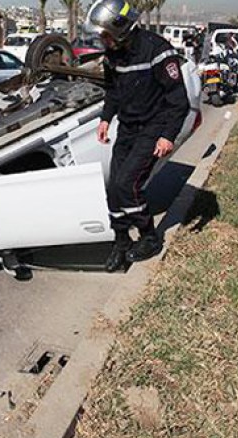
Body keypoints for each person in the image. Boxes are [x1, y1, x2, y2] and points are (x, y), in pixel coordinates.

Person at [85, 0, 190, 272]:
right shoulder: (113, 55)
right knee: (113, 189)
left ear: (120, 29)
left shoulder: (158, 51)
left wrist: (167, 136)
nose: (103, 41)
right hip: (128, 129)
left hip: (153, 128)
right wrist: (106, 118)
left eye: (105, 35)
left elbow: (179, 101)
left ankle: (149, 236)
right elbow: (113, 91)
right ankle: (121, 240)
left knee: (127, 185)